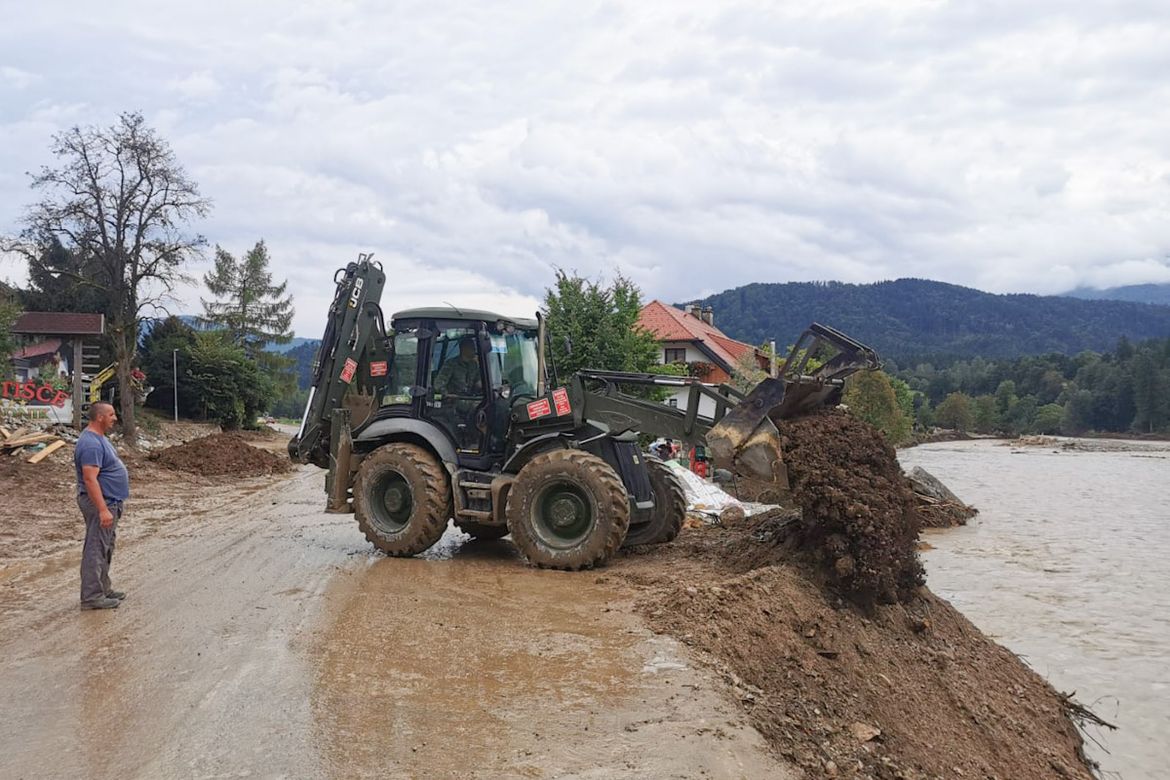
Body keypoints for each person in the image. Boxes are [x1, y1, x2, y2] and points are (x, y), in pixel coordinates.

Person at [75, 402, 130, 610]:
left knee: (105, 546)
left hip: (111, 501)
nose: (114, 418)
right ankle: (91, 597)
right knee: (96, 548)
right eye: (111, 414)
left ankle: (103, 589)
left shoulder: (99, 438)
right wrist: (102, 509)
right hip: (102, 503)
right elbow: (90, 479)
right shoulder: (90, 443)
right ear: (99, 417)